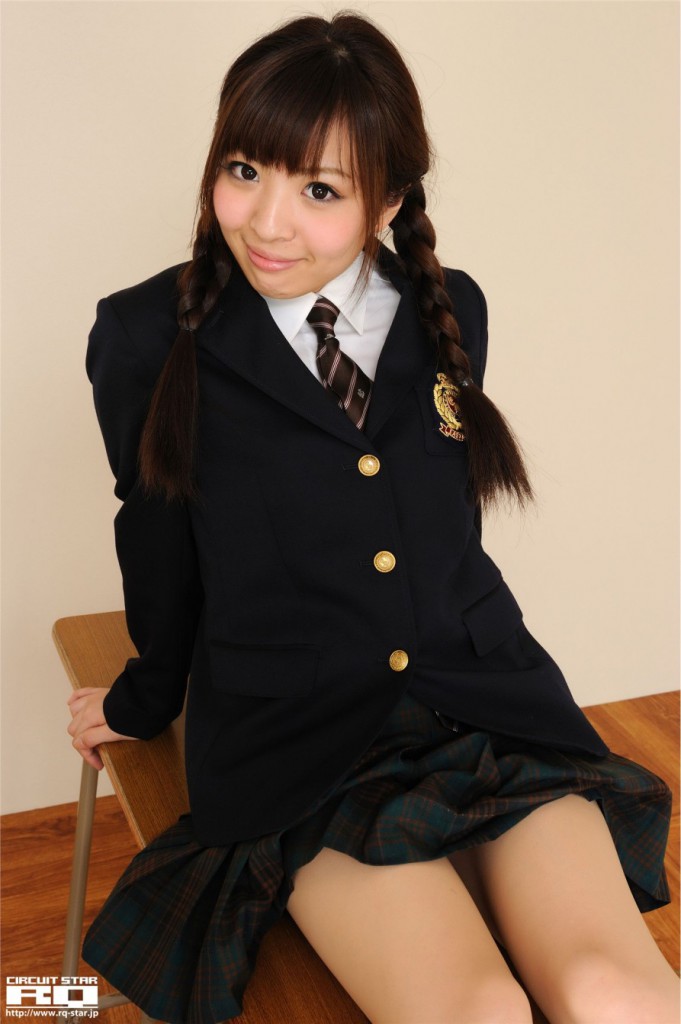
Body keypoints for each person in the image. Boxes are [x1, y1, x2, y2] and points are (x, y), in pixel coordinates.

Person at [67, 12, 677, 1024]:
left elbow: (438, 532)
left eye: (319, 190)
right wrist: (143, 698)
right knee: (477, 1010)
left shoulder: (452, 310)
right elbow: (159, 546)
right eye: (244, 170)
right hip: (300, 741)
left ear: (387, 199)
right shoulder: (144, 336)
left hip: (485, 704)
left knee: (615, 993)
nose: (267, 223)